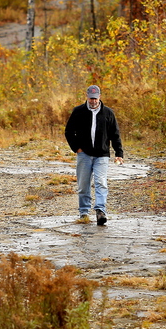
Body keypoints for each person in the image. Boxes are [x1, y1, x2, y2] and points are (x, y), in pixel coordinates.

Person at [64, 85, 124, 225]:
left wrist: (118, 153)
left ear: (99, 97)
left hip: (102, 154)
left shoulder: (108, 113)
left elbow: (115, 134)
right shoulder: (78, 111)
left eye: (95, 98)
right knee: (83, 184)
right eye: (91, 99)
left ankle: (100, 211)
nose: (93, 101)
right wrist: (76, 148)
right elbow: (69, 131)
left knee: (100, 182)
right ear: (87, 97)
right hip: (84, 154)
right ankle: (84, 212)